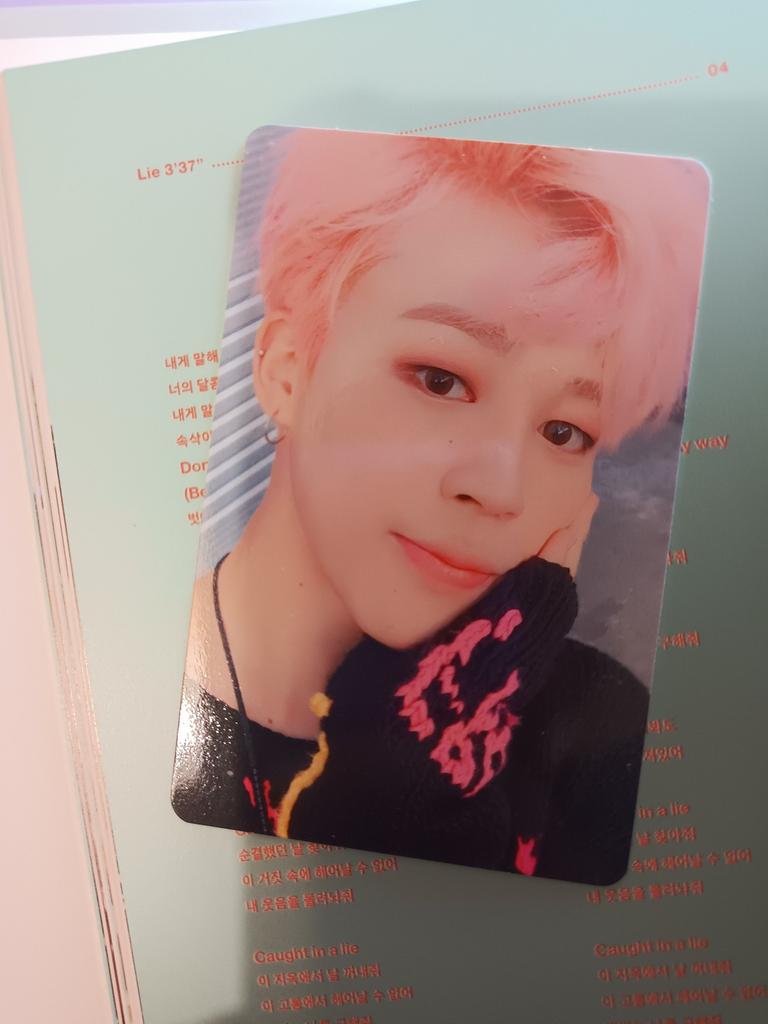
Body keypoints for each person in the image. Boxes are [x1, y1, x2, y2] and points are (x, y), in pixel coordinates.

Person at [172, 130, 708, 884]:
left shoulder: (600, 732)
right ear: (288, 371)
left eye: (564, 431)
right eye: (441, 379)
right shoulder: (129, 689)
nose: (502, 489)